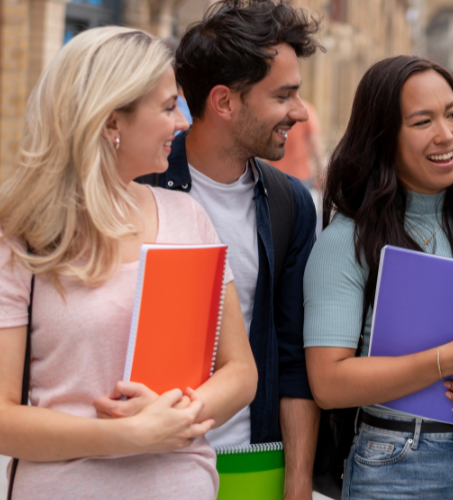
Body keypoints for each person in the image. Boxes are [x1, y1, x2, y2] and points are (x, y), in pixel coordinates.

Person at [0, 27, 257, 498]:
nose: (182, 122)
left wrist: (179, 413)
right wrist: (128, 435)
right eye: (168, 107)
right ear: (110, 122)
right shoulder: (18, 238)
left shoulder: (188, 219)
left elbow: (240, 372)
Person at [304, 55, 453, 500]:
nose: (447, 134)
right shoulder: (347, 241)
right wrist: (446, 360)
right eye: (422, 122)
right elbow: (328, 383)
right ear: (383, 137)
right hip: (397, 466)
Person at [140, 2, 322, 498]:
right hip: (143, 463)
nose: (300, 112)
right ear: (224, 102)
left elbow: (293, 358)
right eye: (283, 95)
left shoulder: (290, 204)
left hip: (248, 464)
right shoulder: (139, 189)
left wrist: (297, 482)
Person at [272, 100, 324, 188]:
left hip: (275, 174)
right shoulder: (305, 110)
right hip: (300, 176)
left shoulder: (274, 111)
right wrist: (321, 172)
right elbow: (315, 145)